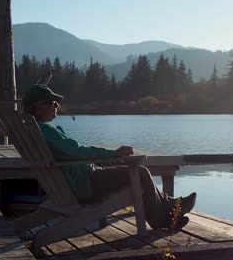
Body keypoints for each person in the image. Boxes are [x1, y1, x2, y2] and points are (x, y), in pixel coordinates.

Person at [22, 84, 196, 230]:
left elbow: (71, 153)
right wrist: (113, 153)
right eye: (51, 102)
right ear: (37, 107)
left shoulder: (35, 129)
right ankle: (161, 219)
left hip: (77, 179)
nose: (56, 106)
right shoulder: (45, 129)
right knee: (140, 172)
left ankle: (172, 205)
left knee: (133, 173)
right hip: (84, 184)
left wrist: (106, 159)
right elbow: (77, 152)